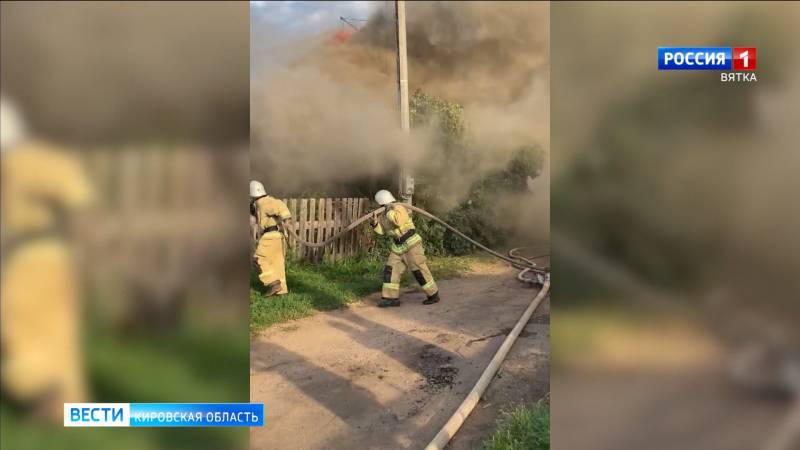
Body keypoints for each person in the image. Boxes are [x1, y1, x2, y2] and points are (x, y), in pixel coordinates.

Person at [1, 97, 93, 420]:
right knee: (57, 335)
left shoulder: (22, 162)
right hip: (50, 256)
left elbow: (76, 192)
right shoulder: (32, 161)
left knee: (16, 325)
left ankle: (41, 390)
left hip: (30, 257)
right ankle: (69, 409)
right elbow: (78, 193)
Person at [371, 190, 440, 307]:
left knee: (419, 270)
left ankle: (433, 294)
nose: (380, 207)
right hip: (397, 247)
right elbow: (381, 231)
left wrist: (389, 211)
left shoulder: (399, 208)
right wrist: (375, 224)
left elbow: (398, 221)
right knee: (391, 270)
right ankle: (391, 298)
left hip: (411, 244)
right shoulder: (383, 215)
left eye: (381, 205)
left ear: (384, 202)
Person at [250, 180, 291, 296]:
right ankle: (281, 291)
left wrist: (286, 218)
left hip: (270, 236)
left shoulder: (264, 203)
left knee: (258, 260)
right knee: (277, 264)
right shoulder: (262, 202)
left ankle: (272, 283)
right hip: (278, 236)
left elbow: (279, 205)